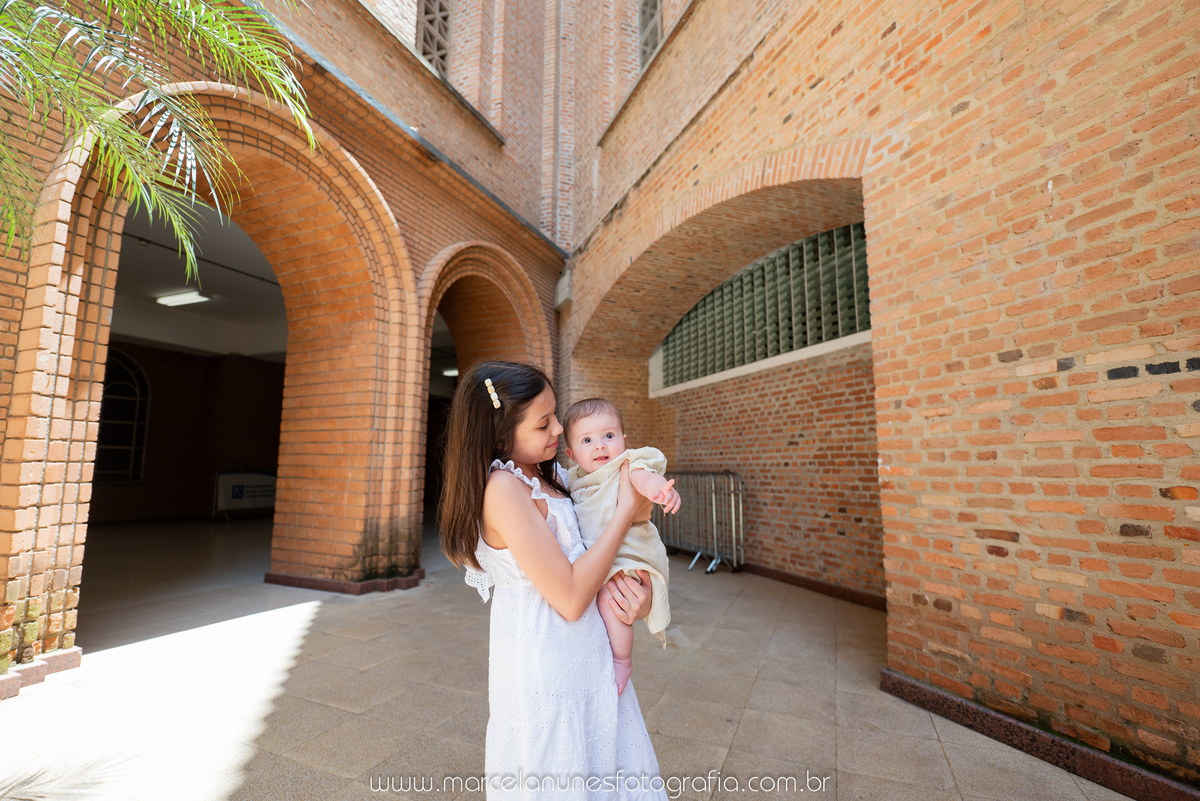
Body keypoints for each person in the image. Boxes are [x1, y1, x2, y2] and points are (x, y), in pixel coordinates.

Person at [439, 360, 669, 801]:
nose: (560, 429)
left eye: (556, 416)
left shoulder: (553, 477)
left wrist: (639, 596)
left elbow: (607, 546)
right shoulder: (503, 489)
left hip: (591, 653)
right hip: (546, 661)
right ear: (502, 437)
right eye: (543, 423)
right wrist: (624, 509)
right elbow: (568, 596)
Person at [563, 397, 680, 696]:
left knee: (609, 603)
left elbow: (643, 477)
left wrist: (660, 491)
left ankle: (622, 660)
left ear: (623, 440)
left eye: (609, 436)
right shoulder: (573, 481)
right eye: (587, 440)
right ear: (571, 453)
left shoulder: (626, 465)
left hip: (629, 554)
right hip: (601, 558)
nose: (600, 446)